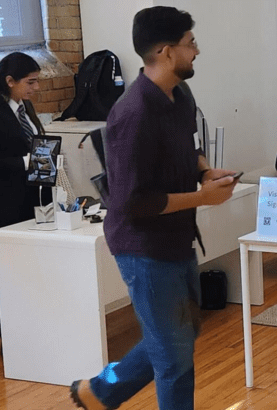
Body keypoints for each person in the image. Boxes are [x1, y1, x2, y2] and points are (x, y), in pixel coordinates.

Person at [69, 7, 238, 410]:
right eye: (190, 42)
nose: (196, 50)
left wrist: (205, 171)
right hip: (141, 246)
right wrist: (203, 197)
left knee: (180, 334)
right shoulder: (132, 114)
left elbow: (187, 147)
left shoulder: (180, 93)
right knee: (174, 360)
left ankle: (101, 388)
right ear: (165, 51)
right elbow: (134, 202)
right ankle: (101, 389)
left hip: (177, 238)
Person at [0, 52, 49, 337]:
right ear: (10, 81)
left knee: (33, 263)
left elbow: (34, 140)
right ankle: (9, 327)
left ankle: (34, 320)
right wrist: (24, 162)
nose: (35, 88)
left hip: (31, 196)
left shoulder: (25, 108)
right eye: (31, 82)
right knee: (8, 267)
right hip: (3, 201)